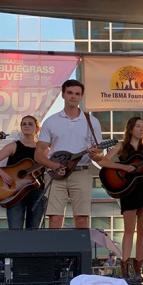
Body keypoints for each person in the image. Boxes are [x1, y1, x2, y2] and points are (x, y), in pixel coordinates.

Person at [34, 79, 104, 229]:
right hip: (55, 174)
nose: (73, 96)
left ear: (81, 97)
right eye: (70, 93)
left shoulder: (92, 122)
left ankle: (79, 252)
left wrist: (94, 154)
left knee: (81, 219)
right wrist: (54, 165)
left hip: (81, 171)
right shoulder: (51, 121)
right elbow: (38, 154)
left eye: (77, 94)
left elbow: (100, 154)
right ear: (63, 94)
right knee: (54, 219)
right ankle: (55, 252)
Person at [98, 116, 143, 279]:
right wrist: (124, 166)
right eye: (138, 126)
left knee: (142, 231)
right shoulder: (121, 146)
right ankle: (125, 266)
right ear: (131, 128)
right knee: (128, 230)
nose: (141, 129)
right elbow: (104, 162)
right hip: (128, 190)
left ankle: (138, 268)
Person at [0, 115, 46, 229]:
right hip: (14, 192)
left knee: (34, 230)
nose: (26, 126)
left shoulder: (43, 149)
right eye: (24, 124)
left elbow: (49, 167)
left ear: (37, 129)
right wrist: (3, 175)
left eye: (30, 124)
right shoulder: (13, 146)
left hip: (36, 192)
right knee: (15, 230)